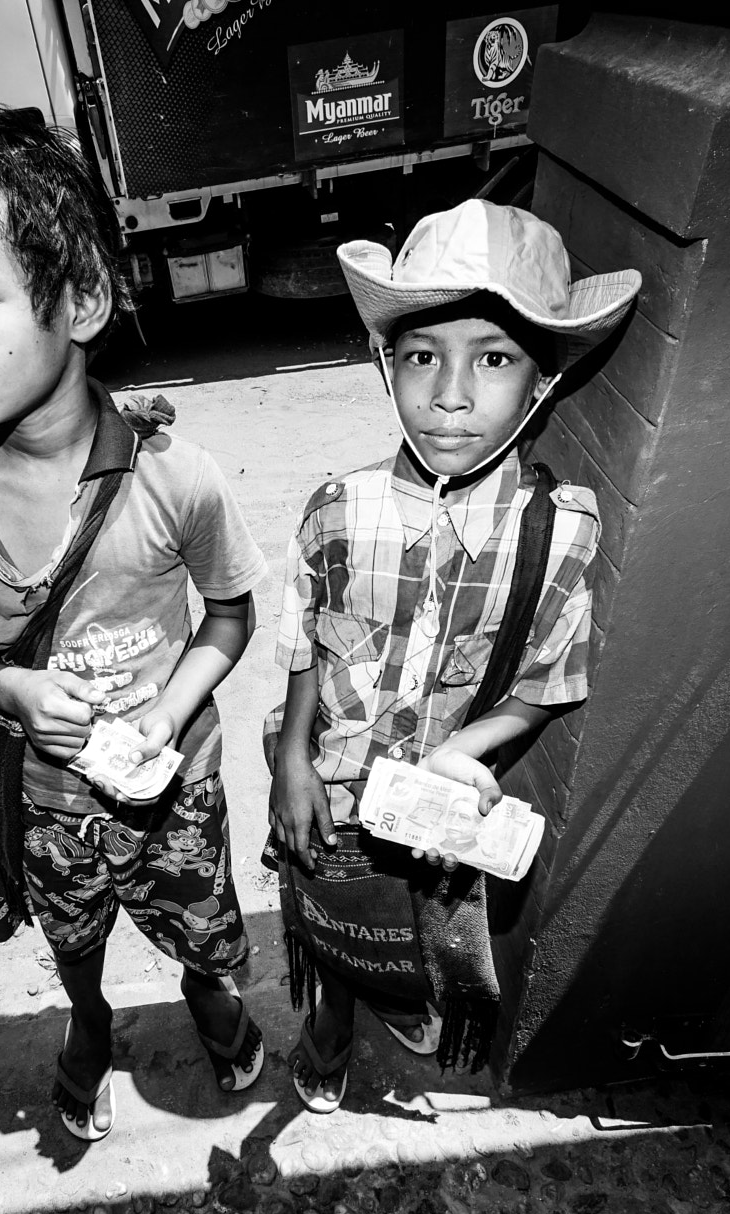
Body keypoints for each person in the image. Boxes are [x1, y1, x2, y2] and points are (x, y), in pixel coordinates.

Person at [0, 105, 271, 1141]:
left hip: (170, 781)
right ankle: (85, 1021)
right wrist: (11, 688)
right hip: (44, 800)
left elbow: (229, 614)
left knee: (198, 917)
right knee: (70, 928)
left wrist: (170, 714)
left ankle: (206, 997)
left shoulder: (174, 476)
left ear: (80, 298)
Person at [265, 199, 639, 1111]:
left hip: (437, 808)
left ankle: (393, 990)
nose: (451, 395)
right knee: (323, 906)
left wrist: (463, 752)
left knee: (407, 925)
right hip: (335, 780)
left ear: (543, 380)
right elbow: (304, 643)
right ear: (385, 363)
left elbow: (547, 683)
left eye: (495, 358)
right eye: (424, 356)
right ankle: (328, 1019)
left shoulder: (560, 533)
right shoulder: (337, 509)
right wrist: (289, 760)